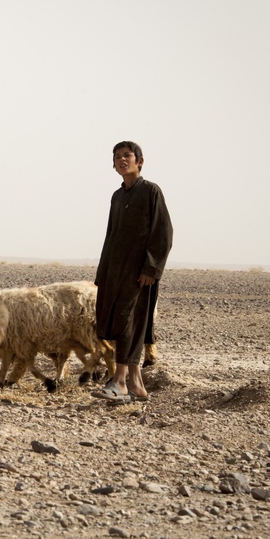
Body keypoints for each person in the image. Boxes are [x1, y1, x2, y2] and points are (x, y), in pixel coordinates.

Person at [91, 141, 173, 404]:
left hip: (139, 273)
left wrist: (151, 267)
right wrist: (102, 273)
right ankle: (137, 384)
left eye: (127, 156)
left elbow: (163, 233)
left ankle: (119, 382)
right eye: (117, 157)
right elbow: (110, 236)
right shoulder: (117, 196)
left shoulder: (151, 191)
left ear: (140, 161)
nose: (122, 160)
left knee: (129, 323)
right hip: (114, 272)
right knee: (120, 323)